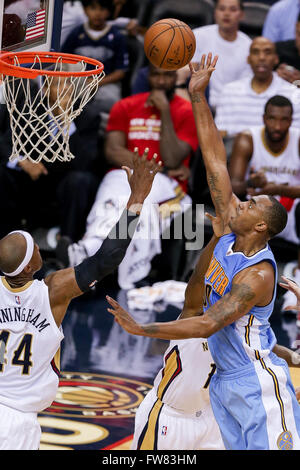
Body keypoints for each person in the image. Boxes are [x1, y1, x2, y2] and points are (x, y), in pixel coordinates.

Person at [106, 54, 300, 450]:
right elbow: (214, 157)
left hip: (257, 383)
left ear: (260, 226)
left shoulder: (257, 276)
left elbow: (208, 323)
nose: (239, 203)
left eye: (250, 206)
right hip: (225, 384)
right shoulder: (230, 232)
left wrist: (144, 329)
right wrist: (197, 96)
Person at [0, 149, 161, 450]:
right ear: (31, 265)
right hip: (17, 423)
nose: (39, 247)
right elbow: (105, 258)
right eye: (35, 247)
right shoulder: (51, 291)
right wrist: (136, 200)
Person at [55, 64, 198, 289]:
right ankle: (88, 248)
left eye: (167, 76)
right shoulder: (126, 106)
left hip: (169, 186)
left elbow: (172, 158)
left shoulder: (187, 111)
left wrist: (165, 114)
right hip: (123, 174)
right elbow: (113, 151)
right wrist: (153, 166)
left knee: (142, 206)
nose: (161, 81)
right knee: (114, 204)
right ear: (147, 76)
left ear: (175, 78)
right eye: (156, 75)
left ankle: (91, 256)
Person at [131, 214, 226, 450]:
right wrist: (217, 238)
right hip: (170, 417)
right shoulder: (195, 313)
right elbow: (197, 279)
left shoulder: (237, 326)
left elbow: (264, 351)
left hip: (211, 418)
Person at [0, 77, 101, 243]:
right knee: (3, 172)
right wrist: (22, 162)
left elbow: (86, 162)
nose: (66, 88)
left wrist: (66, 121)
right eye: (58, 84)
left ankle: (67, 243)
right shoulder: (30, 110)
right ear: (46, 90)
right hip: (34, 180)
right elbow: (5, 144)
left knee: (80, 180)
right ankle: (8, 241)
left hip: (65, 183)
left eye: (69, 83)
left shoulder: (88, 115)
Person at [228, 95, 300, 315]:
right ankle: (229, 281)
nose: (277, 126)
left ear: (291, 120)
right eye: (272, 119)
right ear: (264, 118)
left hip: (293, 214)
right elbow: (232, 184)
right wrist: (251, 183)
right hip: (258, 213)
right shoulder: (247, 139)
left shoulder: (297, 140)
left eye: (283, 120)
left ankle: (296, 284)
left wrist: (275, 189)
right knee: (231, 209)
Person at [214, 36, 300, 137]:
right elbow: (221, 133)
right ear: (248, 59)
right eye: (256, 52)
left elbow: (295, 137)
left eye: (267, 52)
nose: (261, 58)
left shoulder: (293, 93)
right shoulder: (229, 90)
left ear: (276, 59)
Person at [61, 0, 129, 114]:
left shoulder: (117, 37)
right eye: (93, 8)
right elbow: (63, 62)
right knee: (64, 98)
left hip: (106, 82)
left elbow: (121, 71)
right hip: (78, 81)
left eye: (102, 9)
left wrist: (96, 82)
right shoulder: (76, 34)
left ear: (108, 12)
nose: (97, 13)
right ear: (85, 10)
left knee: (111, 102)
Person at [191, 0, 251, 110]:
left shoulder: (248, 46)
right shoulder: (198, 36)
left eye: (232, 9)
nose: (226, 14)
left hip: (233, 106)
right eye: (222, 9)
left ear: (242, 15)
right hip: (199, 101)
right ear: (215, 13)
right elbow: (188, 72)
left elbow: (245, 85)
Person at [275, 13, 300, 85]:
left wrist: (297, 82)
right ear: (295, 28)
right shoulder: (279, 50)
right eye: (299, 34)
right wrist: (274, 77)